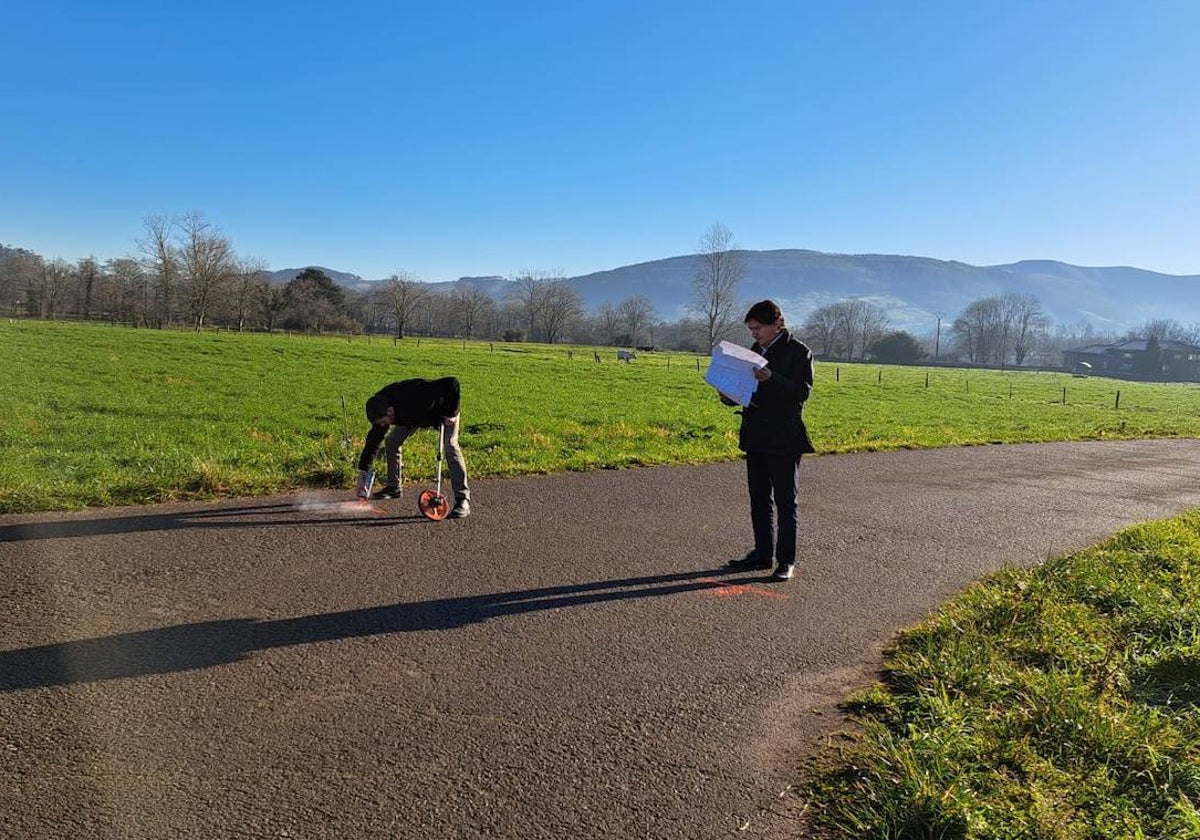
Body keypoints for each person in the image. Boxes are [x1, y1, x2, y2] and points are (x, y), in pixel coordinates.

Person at [719, 300, 814, 581]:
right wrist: (730, 395)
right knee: (758, 499)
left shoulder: (799, 352)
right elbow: (748, 388)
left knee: (786, 501)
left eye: (758, 328)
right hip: (756, 433)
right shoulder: (754, 351)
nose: (754, 334)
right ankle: (762, 554)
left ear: (776, 324)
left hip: (784, 437)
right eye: (751, 329)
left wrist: (771, 377)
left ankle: (786, 561)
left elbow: (801, 392)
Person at [355, 376, 471, 518]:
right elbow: (373, 442)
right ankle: (393, 487)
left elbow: (452, 383)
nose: (381, 426)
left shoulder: (415, 394)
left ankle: (462, 500)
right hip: (412, 417)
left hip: (443, 410)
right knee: (392, 442)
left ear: (390, 411)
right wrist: (363, 471)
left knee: (450, 446)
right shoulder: (379, 406)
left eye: (382, 422)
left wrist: (451, 413)